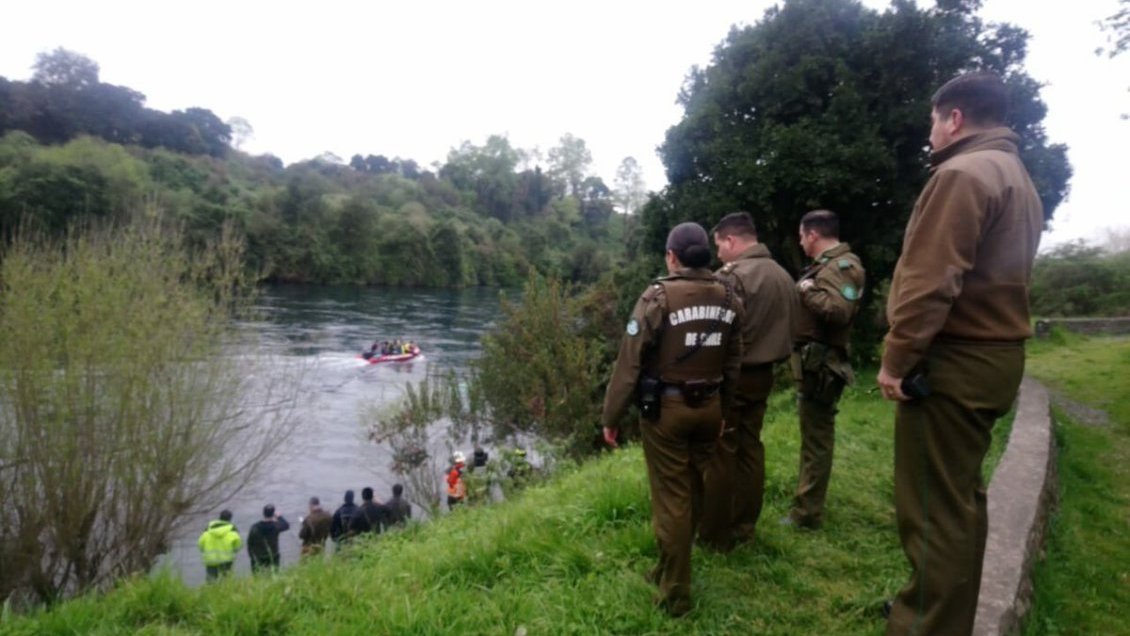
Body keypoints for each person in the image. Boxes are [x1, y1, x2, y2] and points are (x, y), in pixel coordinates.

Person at [877, 71, 1043, 636]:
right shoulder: (1015, 175)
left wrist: (896, 359)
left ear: (953, 118)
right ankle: (943, 613)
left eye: (932, 122)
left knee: (931, 511)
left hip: (956, 361)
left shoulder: (962, 174)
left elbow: (931, 283)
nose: (930, 135)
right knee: (960, 502)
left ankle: (924, 622)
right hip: (995, 358)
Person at [601, 221, 742, 617]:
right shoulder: (730, 296)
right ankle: (665, 567)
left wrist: (611, 416)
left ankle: (676, 594)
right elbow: (734, 360)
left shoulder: (657, 297)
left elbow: (628, 363)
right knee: (693, 489)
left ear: (671, 256)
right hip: (710, 405)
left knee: (672, 500)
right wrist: (724, 413)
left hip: (668, 411)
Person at [700, 211, 798, 550]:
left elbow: (716, 332)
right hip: (766, 374)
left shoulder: (733, 278)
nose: (718, 255)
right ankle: (745, 527)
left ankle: (715, 534)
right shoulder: (783, 275)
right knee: (751, 447)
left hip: (734, 377)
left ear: (731, 240)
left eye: (719, 246)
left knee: (721, 451)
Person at [783, 209, 865, 530]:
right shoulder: (828, 266)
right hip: (814, 364)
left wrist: (806, 290)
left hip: (822, 366)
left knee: (816, 440)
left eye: (802, 236)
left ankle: (807, 514)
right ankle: (806, 504)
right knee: (813, 437)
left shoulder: (841, 267)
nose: (801, 243)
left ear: (813, 234)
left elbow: (838, 311)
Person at [197, 509, 241, 581]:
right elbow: (238, 546)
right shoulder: (233, 531)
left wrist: (204, 551)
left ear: (219, 517)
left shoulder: (207, 530)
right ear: (230, 518)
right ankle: (225, 591)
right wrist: (233, 551)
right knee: (226, 579)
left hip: (210, 559)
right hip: (226, 559)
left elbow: (200, 544)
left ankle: (211, 591)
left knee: (211, 580)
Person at [246, 504, 290, 573]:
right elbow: (286, 525)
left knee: (258, 577)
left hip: (258, 557)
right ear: (273, 514)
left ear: (263, 513)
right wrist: (279, 517)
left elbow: (249, 543)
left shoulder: (255, 527)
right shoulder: (276, 526)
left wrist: (252, 557)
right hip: (273, 555)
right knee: (273, 575)